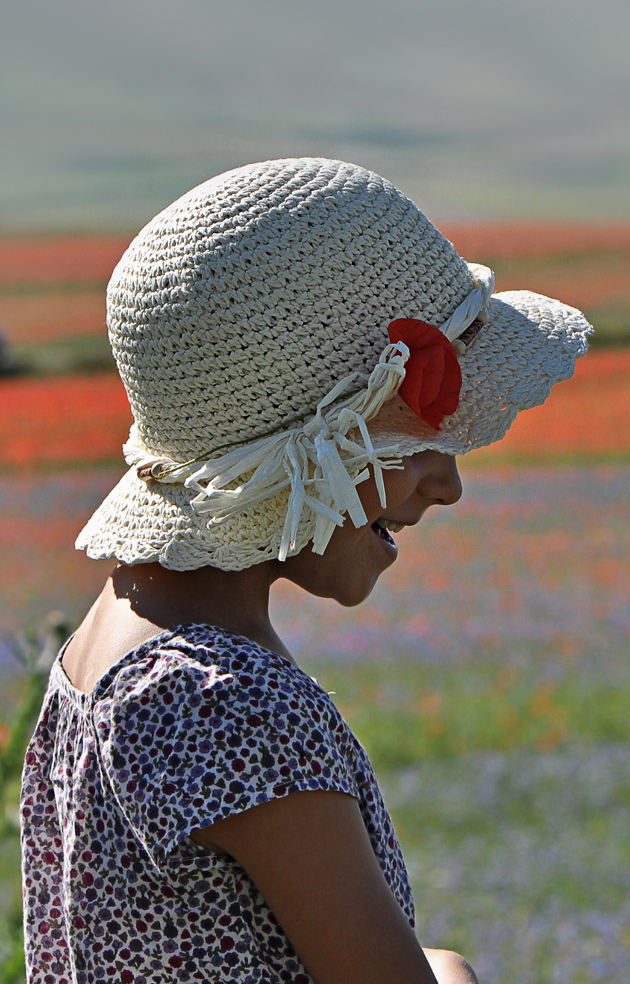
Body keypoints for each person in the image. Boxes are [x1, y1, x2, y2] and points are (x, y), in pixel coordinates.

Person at [19, 158, 591, 984]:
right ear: (310, 450)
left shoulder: (108, 649)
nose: (448, 484)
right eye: (419, 435)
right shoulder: (230, 702)